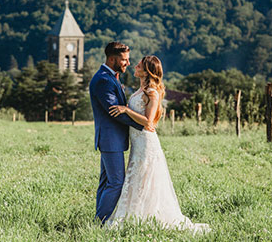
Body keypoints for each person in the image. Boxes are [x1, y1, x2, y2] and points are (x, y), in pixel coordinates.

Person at [108, 55, 210, 233]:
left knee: (146, 178)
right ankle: (134, 215)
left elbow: (149, 122)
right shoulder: (139, 91)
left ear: (147, 71)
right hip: (136, 142)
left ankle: (146, 216)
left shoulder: (152, 92)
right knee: (137, 177)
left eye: (139, 65)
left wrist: (126, 110)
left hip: (146, 142)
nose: (135, 66)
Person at [89, 42, 153, 224]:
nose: (127, 63)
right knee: (116, 183)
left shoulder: (111, 77)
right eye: (124, 60)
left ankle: (98, 221)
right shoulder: (103, 80)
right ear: (112, 59)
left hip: (112, 139)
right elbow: (114, 111)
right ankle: (100, 222)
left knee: (106, 181)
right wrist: (143, 125)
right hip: (111, 140)